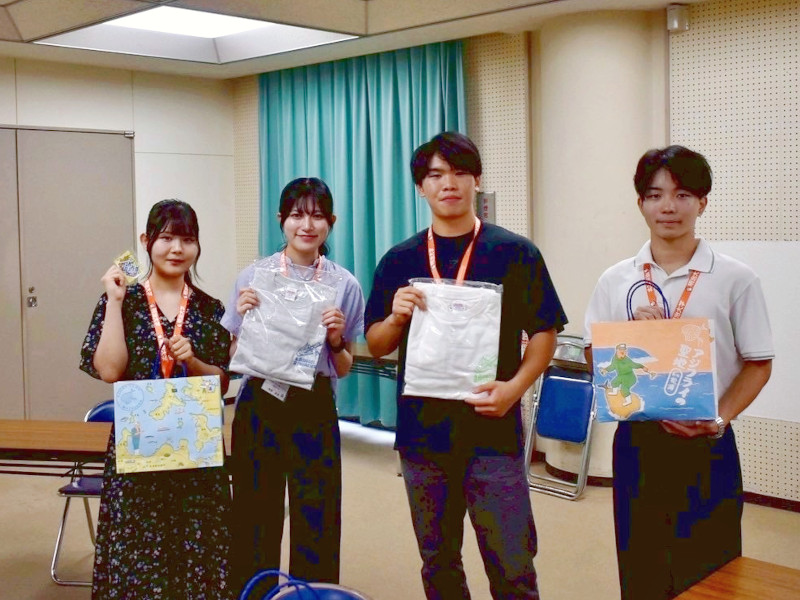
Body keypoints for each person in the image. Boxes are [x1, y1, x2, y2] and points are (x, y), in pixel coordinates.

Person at [365, 132, 567, 599]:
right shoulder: (399, 259)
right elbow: (376, 344)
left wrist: (514, 389)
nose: (448, 184)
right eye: (435, 175)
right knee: (438, 563)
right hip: (422, 437)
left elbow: (545, 334)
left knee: (513, 566)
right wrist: (395, 317)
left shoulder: (515, 253)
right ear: (421, 187)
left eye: (459, 172)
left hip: (491, 433)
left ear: (477, 180)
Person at [584, 145, 774, 600]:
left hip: (707, 441)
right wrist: (630, 338)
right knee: (641, 566)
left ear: (702, 203)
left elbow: (759, 362)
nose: (668, 206)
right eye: (655, 195)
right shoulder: (616, 279)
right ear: (640, 203)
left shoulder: (735, 277)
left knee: (712, 570)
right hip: (638, 442)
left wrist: (719, 418)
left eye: (682, 194)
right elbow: (595, 356)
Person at [80, 199, 233, 599]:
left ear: (197, 245)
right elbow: (109, 370)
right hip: (138, 453)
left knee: (195, 552)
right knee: (137, 555)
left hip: (195, 453)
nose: (176, 248)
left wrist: (193, 361)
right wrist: (115, 301)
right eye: (166, 238)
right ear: (146, 241)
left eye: (187, 239)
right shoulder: (122, 300)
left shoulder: (209, 308)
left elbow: (221, 383)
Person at [223, 177, 365, 596]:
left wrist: (336, 340)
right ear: (281, 219)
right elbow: (233, 356)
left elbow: (344, 367)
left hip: (312, 403)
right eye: (297, 215)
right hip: (260, 399)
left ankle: (311, 595)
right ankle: (253, 593)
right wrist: (243, 318)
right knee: (254, 509)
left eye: (317, 216)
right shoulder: (255, 276)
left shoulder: (344, 284)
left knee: (317, 513)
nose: (307, 225)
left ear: (331, 222)